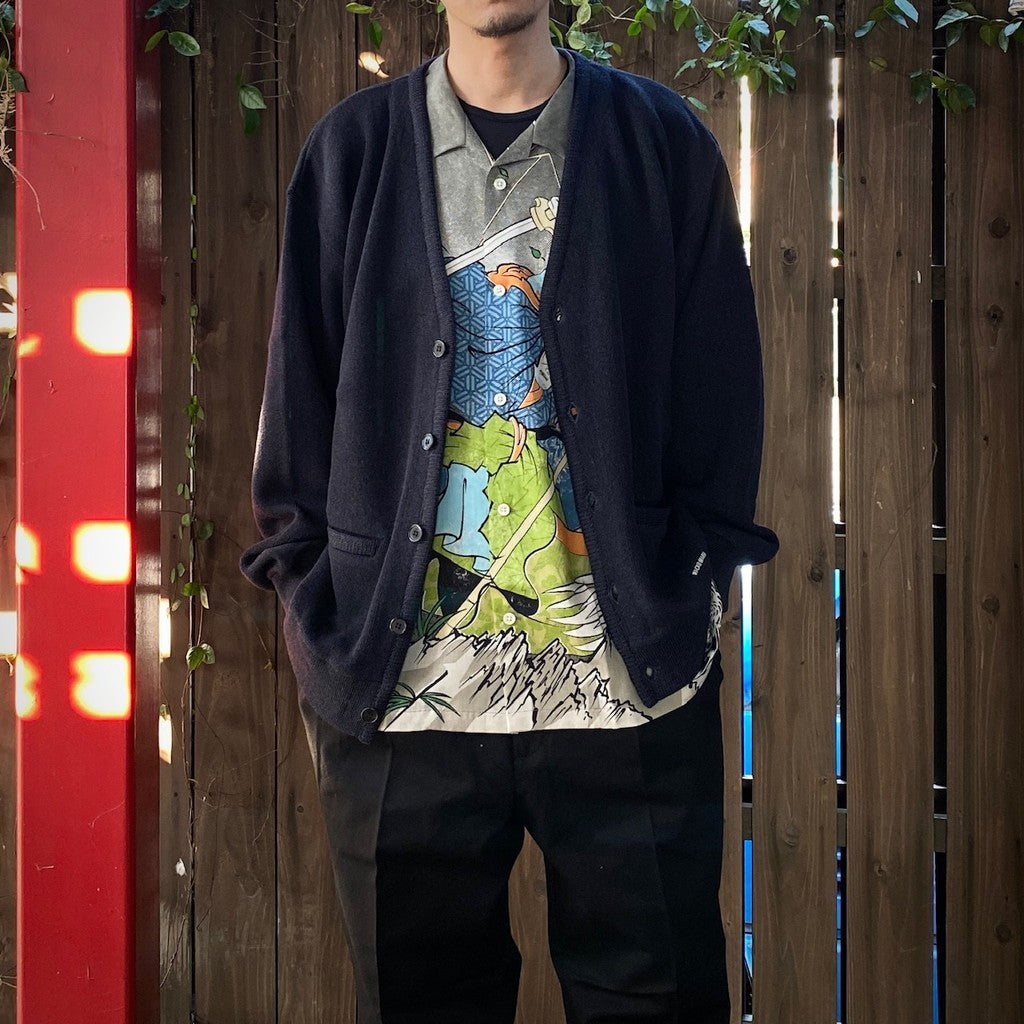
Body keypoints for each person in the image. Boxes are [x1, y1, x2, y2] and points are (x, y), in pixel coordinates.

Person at [239, 0, 779, 1019]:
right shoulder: (354, 153)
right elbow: (298, 404)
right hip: (403, 698)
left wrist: (693, 588)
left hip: (628, 691)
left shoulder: (661, 143)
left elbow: (721, 392)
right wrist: (313, 593)